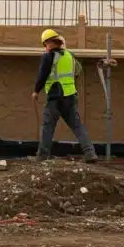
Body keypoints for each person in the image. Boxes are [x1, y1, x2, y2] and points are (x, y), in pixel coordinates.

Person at [33, 29, 98, 163]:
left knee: (47, 127)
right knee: (77, 126)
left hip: (55, 97)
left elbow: (42, 75)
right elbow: (78, 71)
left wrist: (36, 91)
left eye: (45, 44)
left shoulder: (48, 56)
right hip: (70, 95)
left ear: (48, 43)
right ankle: (90, 153)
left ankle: (42, 156)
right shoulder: (69, 55)